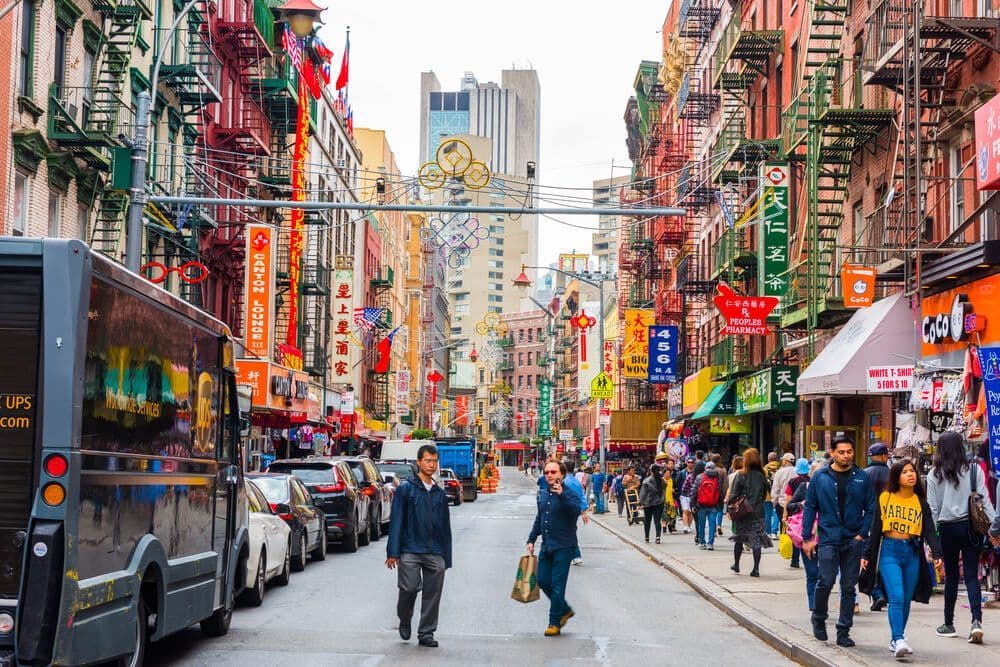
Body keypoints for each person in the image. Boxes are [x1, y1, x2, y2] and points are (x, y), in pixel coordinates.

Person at [859, 460, 943, 658]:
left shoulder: (920, 502)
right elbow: (875, 528)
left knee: (905, 599)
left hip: (912, 552)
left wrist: (937, 553)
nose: (910, 475)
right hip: (890, 551)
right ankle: (899, 639)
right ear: (896, 476)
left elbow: (930, 531)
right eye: (904, 472)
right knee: (896, 596)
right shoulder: (885, 497)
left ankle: (896, 638)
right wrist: (867, 554)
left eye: (912, 471)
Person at [802, 436, 876, 648]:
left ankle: (843, 630)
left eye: (850, 451)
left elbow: (871, 507)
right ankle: (819, 617)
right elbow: (810, 507)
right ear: (832, 452)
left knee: (848, 586)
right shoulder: (820, 477)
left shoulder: (861, 477)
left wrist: (861, 534)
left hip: (852, 539)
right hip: (828, 537)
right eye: (842, 452)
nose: (846, 455)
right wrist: (807, 537)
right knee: (825, 580)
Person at [926, 431, 996, 643]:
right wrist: (994, 529)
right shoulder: (974, 470)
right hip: (970, 528)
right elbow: (984, 502)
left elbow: (933, 510)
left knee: (952, 578)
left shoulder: (934, 474)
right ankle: (976, 621)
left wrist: (932, 541)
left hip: (947, 528)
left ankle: (949, 623)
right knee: (972, 575)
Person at [386, 444, 452, 648]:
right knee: (409, 588)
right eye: (427, 461)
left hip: (435, 551)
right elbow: (396, 520)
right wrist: (393, 552)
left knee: (433, 593)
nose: (431, 465)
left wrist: (446, 557)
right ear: (419, 462)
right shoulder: (406, 489)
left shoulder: (439, 493)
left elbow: (444, 526)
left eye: (434, 461)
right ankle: (404, 618)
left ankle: (426, 633)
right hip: (410, 549)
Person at [527, 460, 583, 637]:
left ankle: (554, 622)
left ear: (562, 475)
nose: (550, 475)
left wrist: (562, 496)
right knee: (542, 580)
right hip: (547, 545)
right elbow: (540, 517)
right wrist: (531, 538)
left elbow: (575, 512)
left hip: (564, 546)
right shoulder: (542, 494)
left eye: (553, 472)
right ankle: (564, 609)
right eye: (547, 472)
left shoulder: (570, 493)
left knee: (558, 586)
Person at [787, 460, 825, 611]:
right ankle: (814, 606)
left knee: (825, 576)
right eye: (816, 474)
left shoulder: (832, 489)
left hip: (825, 536)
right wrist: (801, 504)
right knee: (812, 573)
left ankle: (820, 603)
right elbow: (790, 505)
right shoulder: (804, 487)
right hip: (807, 535)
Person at [729, 448, 772, 576]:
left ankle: (736, 564)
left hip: (743, 511)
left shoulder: (741, 474)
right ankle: (756, 568)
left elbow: (734, 493)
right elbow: (765, 493)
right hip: (758, 511)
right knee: (756, 540)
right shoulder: (762, 475)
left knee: (739, 538)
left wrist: (730, 505)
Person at [863, 442, 891, 612]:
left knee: (869, 559)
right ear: (884, 456)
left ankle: (876, 592)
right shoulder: (893, 475)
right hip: (890, 522)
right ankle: (884, 592)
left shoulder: (863, 474)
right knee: (887, 559)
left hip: (868, 522)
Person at [783, 458, 811, 569]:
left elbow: (788, 499)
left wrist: (785, 514)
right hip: (809, 513)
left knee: (795, 534)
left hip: (796, 512)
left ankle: (795, 560)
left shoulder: (793, 481)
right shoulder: (812, 480)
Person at [692, 460, 726, 550]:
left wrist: (693, 504)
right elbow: (720, 492)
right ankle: (710, 543)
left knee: (701, 524)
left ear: (705, 468)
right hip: (713, 505)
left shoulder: (700, 477)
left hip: (701, 504)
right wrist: (720, 504)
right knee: (712, 524)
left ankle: (702, 542)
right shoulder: (717, 477)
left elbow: (694, 491)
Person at [638, 465, 666, 544]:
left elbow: (643, 493)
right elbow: (664, 490)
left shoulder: (646, 481)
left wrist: (640, 503)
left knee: (647, 521)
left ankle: (647, 537)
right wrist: (663, 499)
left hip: (648, 503)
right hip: (659, 503)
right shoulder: (662, 480)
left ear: (651, 471)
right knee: (657, 521)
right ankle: (658, 537)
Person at [771, 452, 797, 532]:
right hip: (795, 504)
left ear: (785, 461)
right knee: (795, 525)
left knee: (784, 525)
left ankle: (785, 542)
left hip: (781, 503)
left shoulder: (779, 472)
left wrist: (774, 502)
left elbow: (775, 489)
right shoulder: (797, 471)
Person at [763, 452, 782, 538]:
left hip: (767, 495)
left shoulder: (764, 469)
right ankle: (775, 532)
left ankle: (768, 532)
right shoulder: (781, 468)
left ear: (768, 459)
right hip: (779, 494)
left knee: (767, 513)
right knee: (777, 513)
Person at [676, 457, 696, 534]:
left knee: (691, 512)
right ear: (686, 463)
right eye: (689, 462)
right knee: (685, 510)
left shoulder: (695, 473)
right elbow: (678, 483)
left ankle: (688, 526)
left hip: (692, 495)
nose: (690, 463)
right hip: (683, 494)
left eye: (692, 462)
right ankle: (685, 526)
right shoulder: (681, 473)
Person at [661, 457, 678, 533]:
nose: (668, 474)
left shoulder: (672, 480)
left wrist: (674, 490)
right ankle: (664, 527)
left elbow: (675, 488)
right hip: (664, 500)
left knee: (672, 514)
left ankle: (670, 526)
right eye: (666, 473)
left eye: (669, 473)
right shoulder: (661, 480)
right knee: (664, 515)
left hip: (671, 499)